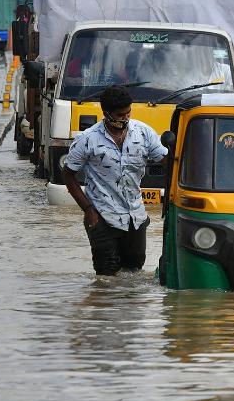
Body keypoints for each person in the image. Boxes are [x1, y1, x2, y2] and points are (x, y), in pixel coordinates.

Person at [62, 85, 168, 275]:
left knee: (134, 274)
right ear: (106, 113)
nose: (125, 118)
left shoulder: (143, 133)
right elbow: (68, 174)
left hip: (135, 217)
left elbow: (167, 161)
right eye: (120, 115)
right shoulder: (87, 139)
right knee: (106, 278)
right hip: (102, 217)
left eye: (128, 113)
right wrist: (88, 210)